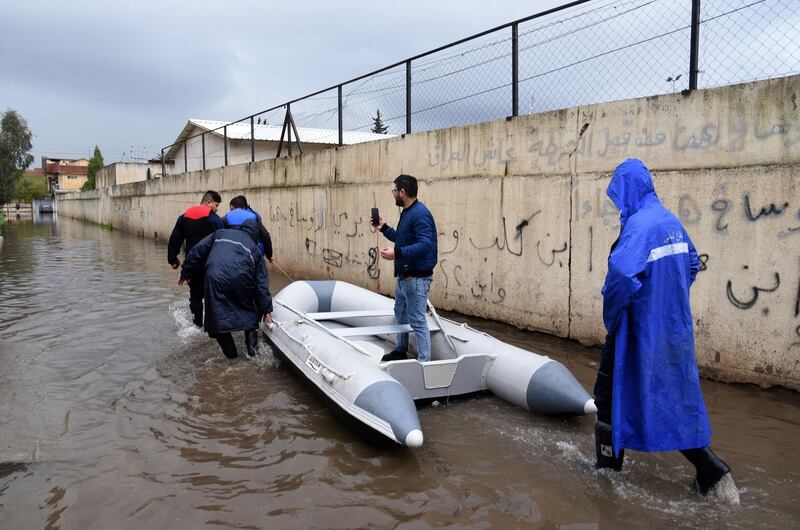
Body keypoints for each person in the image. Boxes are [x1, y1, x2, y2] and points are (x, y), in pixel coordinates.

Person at [593, 158, 731, 495]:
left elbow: (622, 277)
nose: (617, 202)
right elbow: (692, 264)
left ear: (627, 189)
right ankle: (710, 468)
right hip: (672, 331)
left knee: (607, 395)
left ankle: (606, 472)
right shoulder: (670, 221)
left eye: (618, 194)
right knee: (670, 398)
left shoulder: (640, 225)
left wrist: (614, 319)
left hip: (638, 331)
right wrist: (666, 300)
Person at [179, 219, 273, 358]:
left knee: (217, 318)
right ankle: (253, 354)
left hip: (215, 277)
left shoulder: (220, 234)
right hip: (242, 280)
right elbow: (261, 284)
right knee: (250, 313)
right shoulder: (255, 249)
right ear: (255, 234)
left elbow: (196, 251)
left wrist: (185, 272)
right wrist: (266, 309)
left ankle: (231, 356)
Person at [375, 174, 438, 363]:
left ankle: (424, 361)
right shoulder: (408, 213)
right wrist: (384, 228)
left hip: (417, 279)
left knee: (418, 320)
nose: (394, 194)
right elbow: (403, 240)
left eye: (395, 191)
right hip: (404, 278)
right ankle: (400, 350)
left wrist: (397, 253)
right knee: (400, 314)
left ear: (402, 192)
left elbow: (426, 244)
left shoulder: (420, 214)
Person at [167, 190, 223, 327]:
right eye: (216, 205)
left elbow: (175, 238)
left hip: (192, 265)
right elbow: (223, 240)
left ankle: (197, 326)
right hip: (211, 264)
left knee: (195, 297)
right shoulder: (215, 219)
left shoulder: (184, 216)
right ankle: (212, 327)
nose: (216, 209)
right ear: (208, 203)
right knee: (212, 296)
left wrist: (172, 259)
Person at [224, 195, 273, 262]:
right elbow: (265, 236)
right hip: (255, 252)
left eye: (232, 209)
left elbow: (265, 235)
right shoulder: (254, 214)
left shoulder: (229, 217)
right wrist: (269, 255)